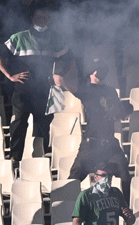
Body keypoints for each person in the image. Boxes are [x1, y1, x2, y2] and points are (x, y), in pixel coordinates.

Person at [0, 5, 69, 162]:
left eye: (45, 18)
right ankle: (15, 158)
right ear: (32, 19)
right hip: (23, 90)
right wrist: (9, 75)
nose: (42, 21)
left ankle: (39, 160)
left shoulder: (56, 38)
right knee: (19, 125)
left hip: (45, 91)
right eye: (39, 18)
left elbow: (70, 59)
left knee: (42, 126)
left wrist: (60, 74)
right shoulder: (19, 37)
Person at [53, 58, 132, 201]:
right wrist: (66, 69)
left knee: (125, 176)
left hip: (110, 144)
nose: (102, 70)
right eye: (98, 68)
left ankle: (126, 209)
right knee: (73, 179)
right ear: (92, 72)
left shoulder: (110, 90)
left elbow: (119, 113)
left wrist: (125, 111)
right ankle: (66, 210)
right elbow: (60, 81)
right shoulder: (86, 90)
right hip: (91, 145)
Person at [71, 162, 135, 225]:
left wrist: (129, 215)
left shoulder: (116, 192)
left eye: (109, 175)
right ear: (96, 177)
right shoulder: (86, 195)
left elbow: (130, 221)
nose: (107, 178)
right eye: (103, 175)